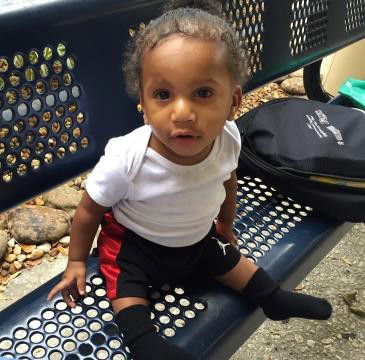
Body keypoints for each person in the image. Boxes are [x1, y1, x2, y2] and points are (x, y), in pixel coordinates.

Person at [48, 1, 332, 359]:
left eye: (202, 93)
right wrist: (75, 262)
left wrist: (226, 223)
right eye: (163, 95)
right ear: (144, 103)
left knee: (230, 260)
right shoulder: (128, 157)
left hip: (197, 238)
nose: (182, 112)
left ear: (233, 101)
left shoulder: (228, 138)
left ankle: (272, 299)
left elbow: (229, 179)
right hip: (135, 243)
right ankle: (145, 344)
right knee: (124, 285)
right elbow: (89, 210)